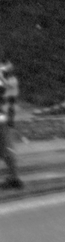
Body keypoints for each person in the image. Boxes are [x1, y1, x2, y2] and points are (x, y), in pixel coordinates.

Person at [0, 53, 21, 189]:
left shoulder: (7, 79)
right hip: (6, 117)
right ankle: (14, 179)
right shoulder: (9, 78)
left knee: (6, 149)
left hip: (3, 118)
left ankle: (15, 179)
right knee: (4, 149)